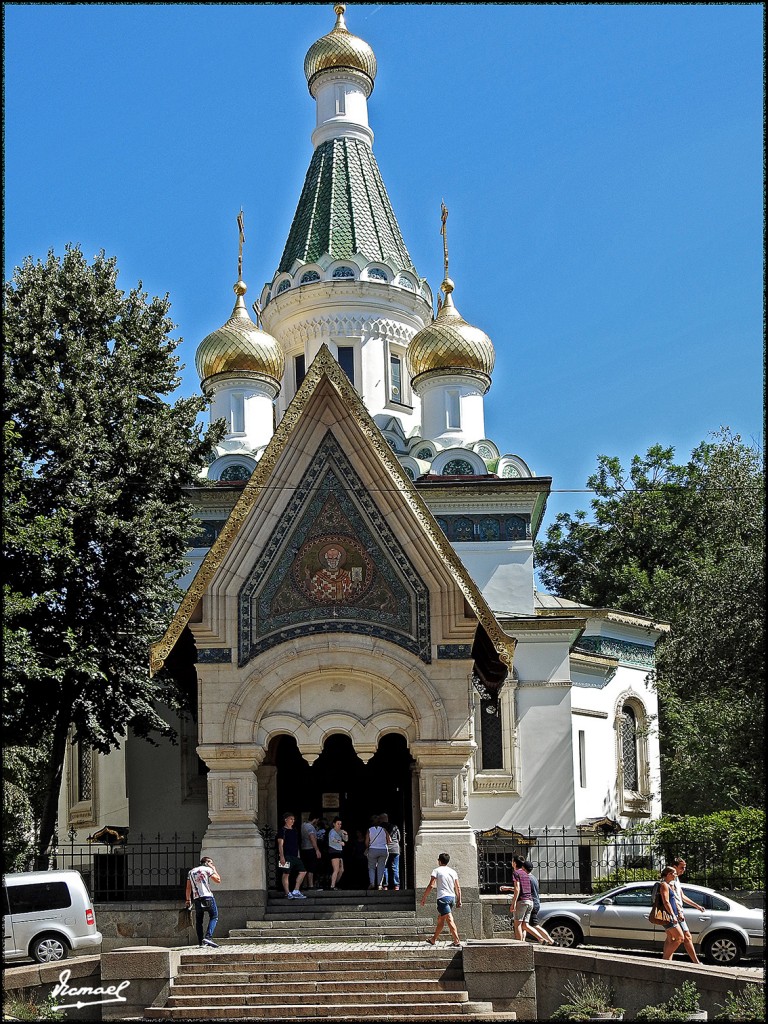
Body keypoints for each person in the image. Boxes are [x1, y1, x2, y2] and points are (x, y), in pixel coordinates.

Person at [420, 852, 462, 946]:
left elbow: (431, 885)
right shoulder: (453, 872)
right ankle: (433, 939)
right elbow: (457, 887)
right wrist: (459, 899)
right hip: (452, 898)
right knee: (441, 919)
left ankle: (457, 941)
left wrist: (424, 898)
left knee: (449, 919)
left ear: (439, 861)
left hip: (443, 898)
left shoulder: (436, 871)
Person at [670, 857, 702, 964]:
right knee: (686, 936)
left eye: (684, 867)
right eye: (681, 868)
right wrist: (679, 912)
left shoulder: (676, 879)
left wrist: (697, 906)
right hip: (675, 913)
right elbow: (672, 898)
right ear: (674, 867)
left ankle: (666, 961)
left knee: (671, 938)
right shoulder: (671, 880)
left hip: (677, 912)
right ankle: (696, 962)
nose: (683, 870)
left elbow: (682, 896)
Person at [185, 855, 221, 948]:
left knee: (199, 921)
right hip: (207, 896)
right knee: (214, 916)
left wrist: (188, 899)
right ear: (207, 863)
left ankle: (201, 942)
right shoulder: (207, 869)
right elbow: (218, 880)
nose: (212, 865)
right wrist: (214, 869)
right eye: (211, 863)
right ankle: (208, 937)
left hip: (197, 898)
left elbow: (188, 887)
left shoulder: (191, 872)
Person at [500, 855, 534, 941]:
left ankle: (520, 944)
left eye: (512, 861)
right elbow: (523, 888)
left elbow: (517, 889)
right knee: (524, 925)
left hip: (521, 901)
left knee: (517, 924)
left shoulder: (516, 873)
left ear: (514, 863)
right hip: (530, 901)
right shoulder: (526, 873)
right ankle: (523, 943)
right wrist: (508, 888)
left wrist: (513, 903)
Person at [657, 865, 687, 961]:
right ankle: (664, 960)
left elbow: (674, 900)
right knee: (680, 938)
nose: (676, 875)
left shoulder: (669, 885)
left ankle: (667, 962)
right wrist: (673, 915)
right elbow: (666, 902)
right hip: (669, 916)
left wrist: (678, 913)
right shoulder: (664, 885)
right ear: (669, 874)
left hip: (672, 914)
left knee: (671, 939)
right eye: (674, 873)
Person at [522, 860, 554, 944]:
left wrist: (509, 888)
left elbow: (523, 890)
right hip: (536, 902)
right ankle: (522, 942)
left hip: (531, 903)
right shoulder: (534, 878)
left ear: (523, 868)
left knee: (532, 925)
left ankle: (548, 940)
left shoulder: (527, 878)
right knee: (524, 925)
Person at [276, 812, 308, 899]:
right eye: (291, 819)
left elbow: (296, 844)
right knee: (286, 873)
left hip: (295, 856)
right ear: (286, 820)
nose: (293, 821)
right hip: (286, 855)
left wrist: (298, 855)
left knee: (303, 871)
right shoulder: (282, 830)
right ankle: (287, 893)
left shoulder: (294, 831)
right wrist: (281, 856)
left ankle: (296, 890)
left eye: (293, 819)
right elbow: (280, 845)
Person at [365, 814, 388, 890]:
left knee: (371, 867)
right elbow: (389, 840)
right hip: (383, 849)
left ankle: (372, 883)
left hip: (373, 849)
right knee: (381, 867)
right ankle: (379, 885)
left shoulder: (369, 830)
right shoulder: (384, 829)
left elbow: (367, 842)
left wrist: (368, 847)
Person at [380, 813, 401, 891]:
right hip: (395, 848)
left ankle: (385, 885)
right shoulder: (395, 827)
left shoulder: (380, 828)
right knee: (395, 867)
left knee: (384, 867)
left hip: (384, 849)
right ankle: (396, 885)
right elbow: (399, 838)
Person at [300, 812, 322, 889]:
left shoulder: (303, 825)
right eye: (317, 820)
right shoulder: (310, 827)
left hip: (303, 848)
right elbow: (312, 837)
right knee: (311, 868)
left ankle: (304, 885)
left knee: (305, 867)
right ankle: (311, 885)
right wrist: (317, 850)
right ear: (315, 819)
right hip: (310, 849)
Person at [328, 817, 348, 890]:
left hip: (339, 851)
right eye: (338, 824)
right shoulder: (332, 831)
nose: (339, 825)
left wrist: (345, 834)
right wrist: (340, 842)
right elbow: (332, 839)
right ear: (334, 824)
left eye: (340, 824)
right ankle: (332, 886)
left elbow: (346, 840)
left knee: (341, 870)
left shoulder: (340, 831)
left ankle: (334, 883)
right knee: (336, 869)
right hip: (333, 851)